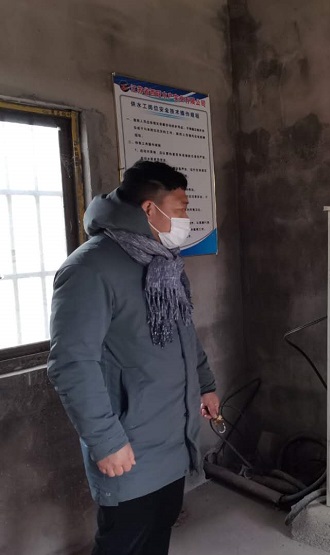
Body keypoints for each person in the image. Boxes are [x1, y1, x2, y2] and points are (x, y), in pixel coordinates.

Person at [48, 160, 220, 555]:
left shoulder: (163, 262)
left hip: (173, 436)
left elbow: (184, 332)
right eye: (180, 209)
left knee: (158, 532)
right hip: (128, 444)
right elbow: (72, 364)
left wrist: (206, 385)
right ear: (149, 209)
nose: (186, 219)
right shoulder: (89, 269)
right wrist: (106, 441)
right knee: (124, 543)